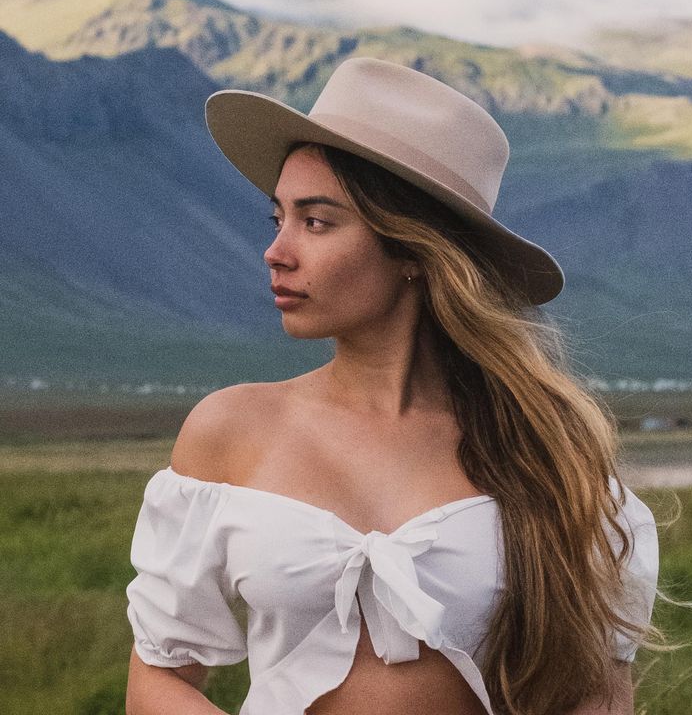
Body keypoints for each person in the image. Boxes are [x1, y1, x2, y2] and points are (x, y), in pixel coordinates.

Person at [124, 57, 659, 715]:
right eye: (279, 219)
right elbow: (159, 678)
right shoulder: (229, 431)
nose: (277, 250)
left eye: (316, 222)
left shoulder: (545, 450)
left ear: (413, 249)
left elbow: (597, 699)